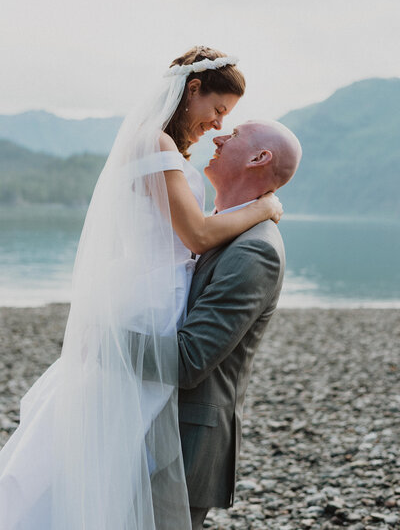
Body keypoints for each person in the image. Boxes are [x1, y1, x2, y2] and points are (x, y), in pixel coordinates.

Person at [0, 48, 282, 530]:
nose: (216, 125)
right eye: (217, 110)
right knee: (114, 445)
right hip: (150, 301)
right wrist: (262, 209)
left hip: (156, 299)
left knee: (118, 450)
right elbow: (194, 236)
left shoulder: (160, 147)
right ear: (193, 89)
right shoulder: (154, 143)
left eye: (227, 119)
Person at [175, 120, 302, 528]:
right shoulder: (214, 227)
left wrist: (105, 339)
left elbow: (188, 360)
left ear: (258, 157)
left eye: (235, 134)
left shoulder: (255, 250)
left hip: (186, 441)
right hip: (159, 427)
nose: (218, 136)